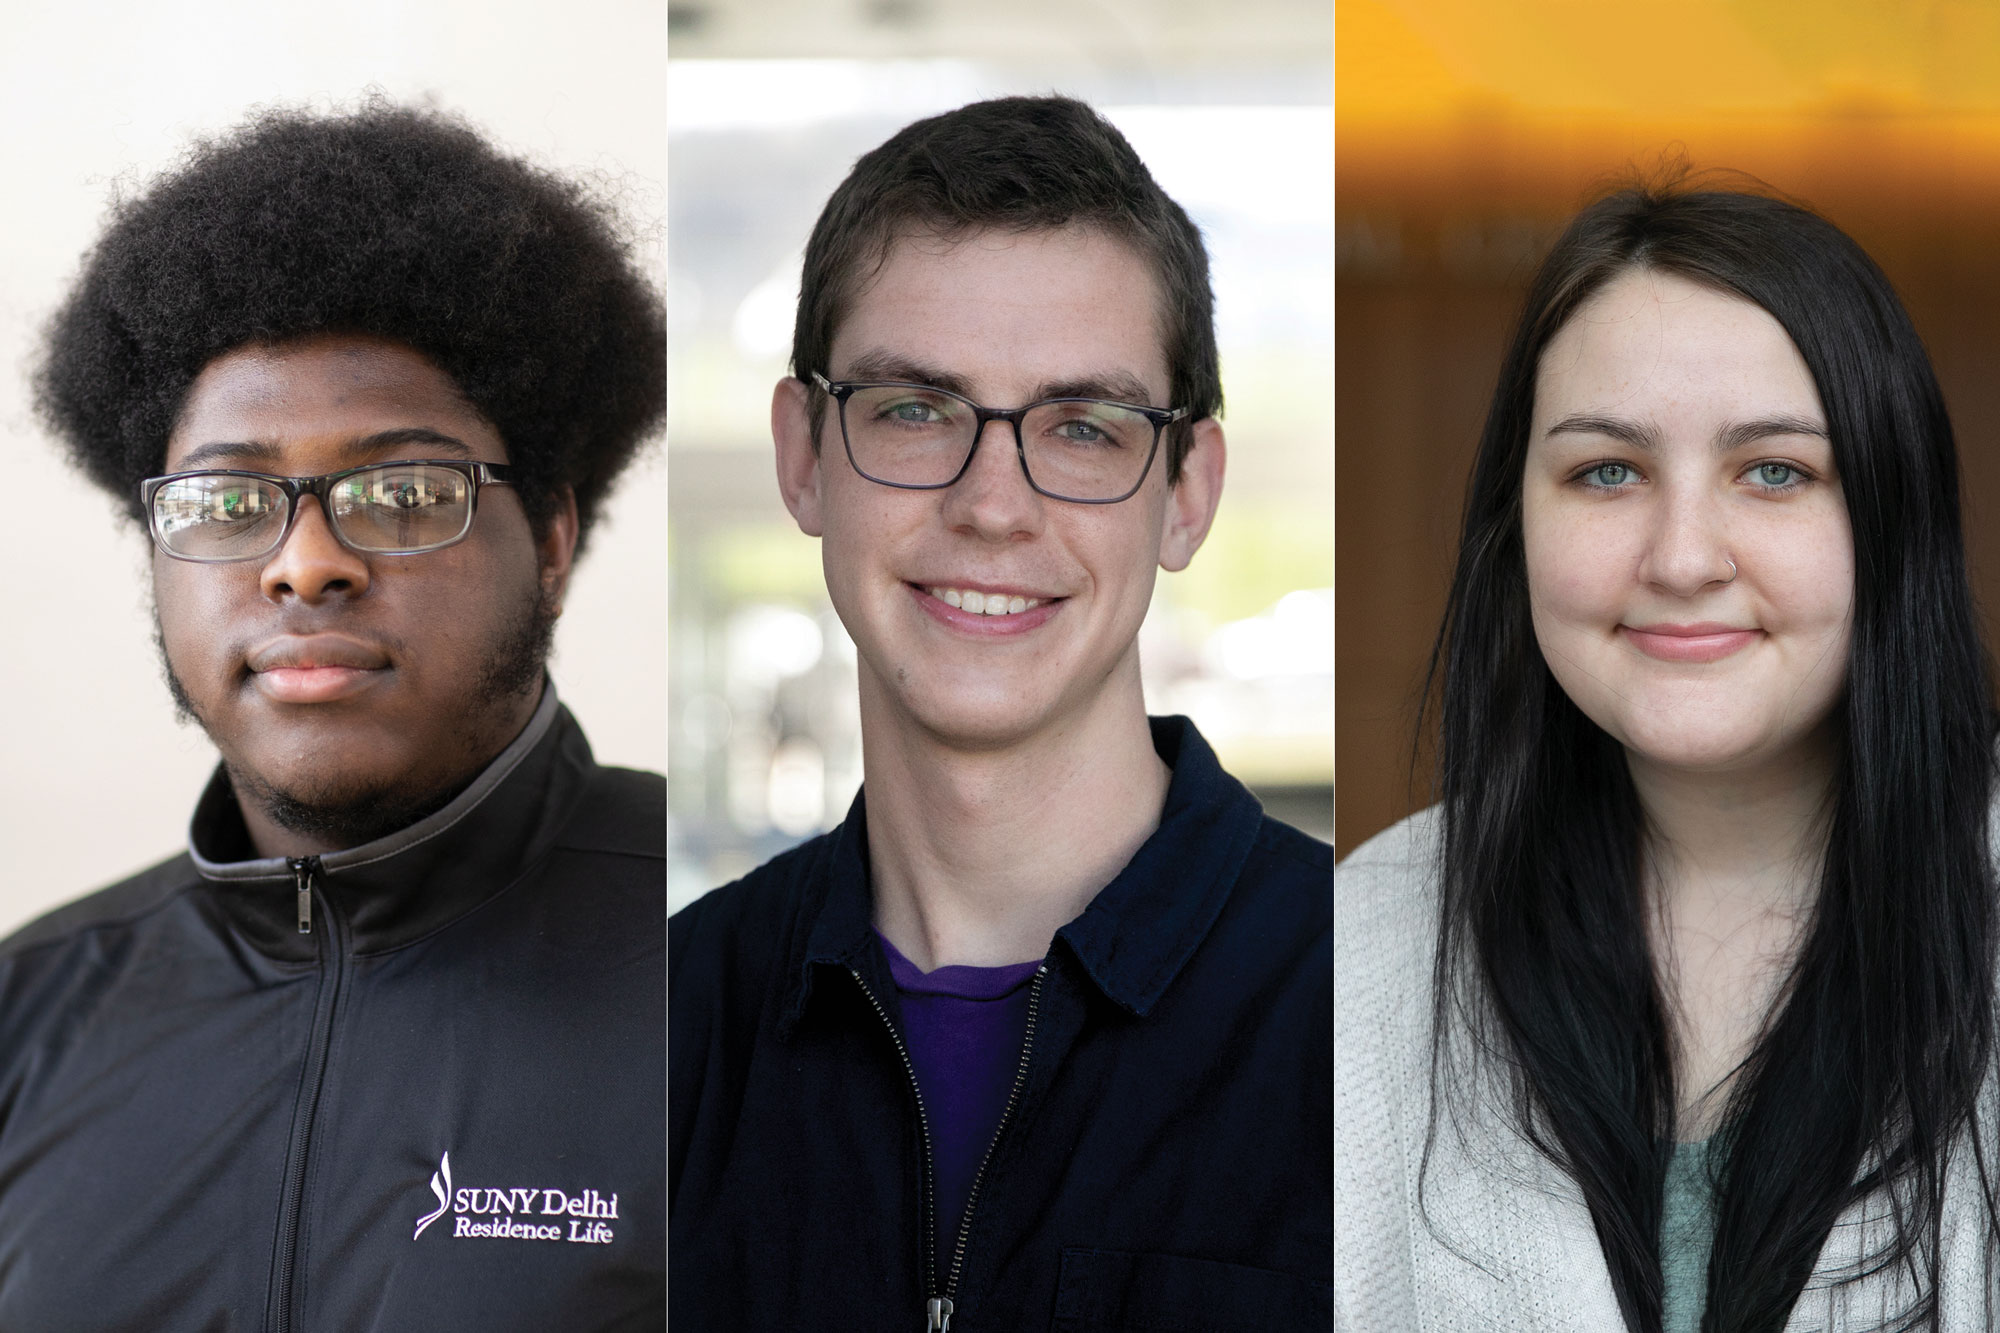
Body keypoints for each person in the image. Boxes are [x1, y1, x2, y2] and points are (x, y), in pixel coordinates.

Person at [668, 95, 1334, 1329]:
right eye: (915, 411)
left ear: (1186, 494)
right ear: (803, 457)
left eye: (1082, 428)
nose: (992, 505)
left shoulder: (1388, 1025)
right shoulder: (660, 1031)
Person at [5, 103, 666, 1328]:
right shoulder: (30, 1010)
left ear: (555, 539)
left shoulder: (734, 957)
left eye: (405, 490)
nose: (305, 563)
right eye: (226, 500)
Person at [1335, 182, 2000, 1332]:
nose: (1682, 556)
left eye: (1775, 472)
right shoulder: (1363, 943)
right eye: (1605, 471)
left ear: (1895, 519)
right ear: (1516, 527)